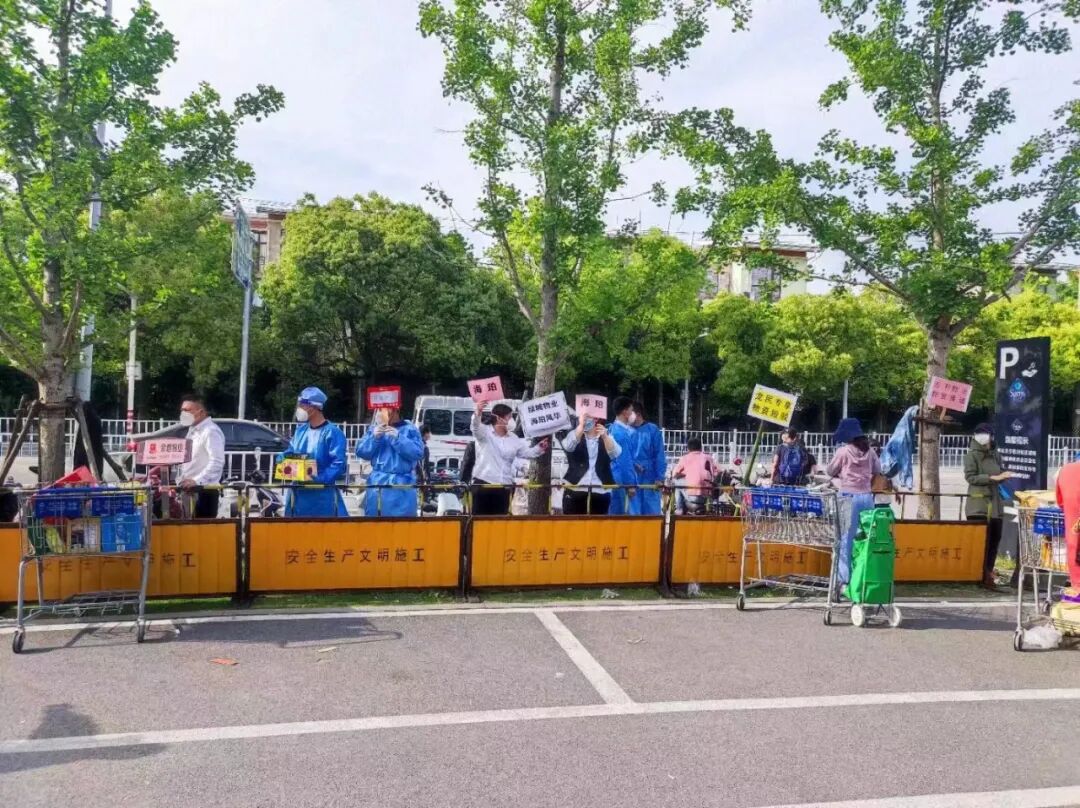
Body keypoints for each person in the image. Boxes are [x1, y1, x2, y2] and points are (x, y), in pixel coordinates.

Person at [826, 418, 881, 594]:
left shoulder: (843, 451)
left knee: (844, 540)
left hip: (848, 497)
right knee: (866, 539)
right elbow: (878, 470)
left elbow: (830, 471)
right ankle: (864, 577)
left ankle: (844, 582)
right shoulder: (870, 451)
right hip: (867, 498)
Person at [277, 387, 348, 517]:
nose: (299, 408)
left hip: (321, 495)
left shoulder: (333, 433)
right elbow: (292, 451)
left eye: (302, 405)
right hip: (298, 493)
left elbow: (339, 464)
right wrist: (284, 457)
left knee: (322, 527)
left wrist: (321, 478)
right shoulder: (300, 431)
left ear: (314, 407)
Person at [469, 401, 548, 515]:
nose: (512, 421)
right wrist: (478, 413)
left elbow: (526, 453)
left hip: (504, 486)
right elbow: (475, 427)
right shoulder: (485, 432)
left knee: (500, 521)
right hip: (484, 484)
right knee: (479, 521)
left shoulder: (513, 438)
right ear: (498, 418)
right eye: (509, 417)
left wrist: (539, 448)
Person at [964, 423, 1015, 590]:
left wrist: (1004, 475)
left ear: (992, 437)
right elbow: (971, 477)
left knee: (994, 540)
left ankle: (988, 574)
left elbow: (1000, 471)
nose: (983, 436)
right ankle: (977, 575)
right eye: (979, 433)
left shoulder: (996, 455)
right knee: (981, 542)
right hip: (978, 505)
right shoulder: (971, 455)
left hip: (995, 506)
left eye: (986, 433)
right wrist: (993, 478)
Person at [355, 405, 425, 517]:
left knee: (402, 524)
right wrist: (373, 438)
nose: (378, 413)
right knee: (375, 523)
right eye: (378, 409)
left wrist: (398, 438)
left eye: (381, 409)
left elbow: (417, 453)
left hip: (401, 487)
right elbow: (361, 452)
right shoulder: (374, 429)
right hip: (377, 485)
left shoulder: (410, 429)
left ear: (393, 409)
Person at [560, 413, 621, 515]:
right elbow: (568, 447)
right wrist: (580, 427)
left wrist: (605, 437)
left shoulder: (606, 435)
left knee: (598, 524)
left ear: (596, 418)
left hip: (600, 490)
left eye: (587, 416)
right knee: (572, 523)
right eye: (582, 415)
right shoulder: (575, 434)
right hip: (574, 489)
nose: (584, 418)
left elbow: (615, 453)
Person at [177, 394, 226, 519]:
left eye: (187, 410)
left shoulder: (210, 431)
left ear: (201, 412)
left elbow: (217, 461)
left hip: (204, 491)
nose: (183, 414)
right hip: (189, 490)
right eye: (182, 410)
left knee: (201, 528)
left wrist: (197, 480)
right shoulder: (192, 430)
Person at [607, 396, 641, 515]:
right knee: (624, 516)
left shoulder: (613, 429)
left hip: (615, 477)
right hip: (621, 480)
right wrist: (630, 484)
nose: (633, 413)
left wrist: (634, 465)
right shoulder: (621, 434)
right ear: (625, 412)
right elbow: (624, 461)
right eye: (631, 410)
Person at [631, 401, 667, 515]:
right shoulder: (625, 430)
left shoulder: (652, 430)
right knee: (632, 512)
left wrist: (660, 477)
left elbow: (659, 454)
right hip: (631, 475)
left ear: (638, 414)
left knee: (651, 511)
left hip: (650, 476)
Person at [672, 437, 717, 515]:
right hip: (707, 495)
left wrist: (683, 474)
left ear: (688, 449)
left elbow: (675, 474)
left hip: (692, 494)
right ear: (701, 447)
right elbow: (717, 472)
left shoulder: (685, 458)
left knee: (676, 481)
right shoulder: (708, 457)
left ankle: (679, 509)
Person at [1054, 459, 1080, 590]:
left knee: (1074, 550)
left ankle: (1076, 586)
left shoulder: (1065, 470)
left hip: (1073, 523)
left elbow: (1060, 501)